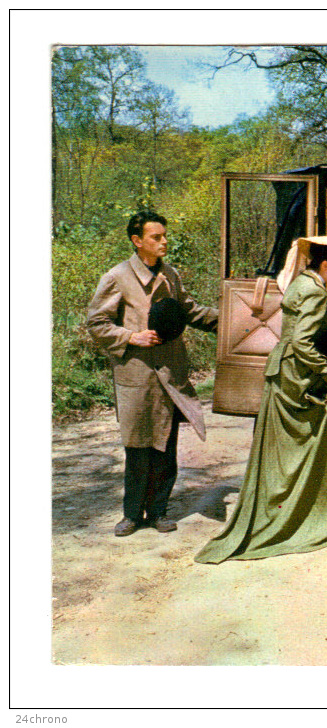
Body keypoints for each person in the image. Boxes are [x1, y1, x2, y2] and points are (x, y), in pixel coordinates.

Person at [195, 236, 327, 563]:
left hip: (283, 375)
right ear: (324, 265)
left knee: (285, 456)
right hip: (298, 378)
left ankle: (314, 502)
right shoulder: (316, 293)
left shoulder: (299, 284)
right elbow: (303, 345)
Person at [86, 210, 219, 536]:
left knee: (166, 447)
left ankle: (159, 511)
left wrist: (237, 321)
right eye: (156, 237)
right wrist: (132, 336)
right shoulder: (116, 277)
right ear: (137, 241)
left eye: (164, 236)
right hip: (137, 375)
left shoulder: (170, 275)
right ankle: (132, 514)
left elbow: (190, 311)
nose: (164, 242)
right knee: (138, 447)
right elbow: (96, 323)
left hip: (169, 374)